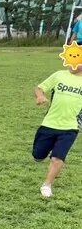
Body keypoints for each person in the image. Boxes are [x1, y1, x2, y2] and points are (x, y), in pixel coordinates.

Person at [33, 65, 82, 197]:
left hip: (70, 127)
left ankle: (47, 185)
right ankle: (44, 157)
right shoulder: (59, 75)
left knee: (57, 158)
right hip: (49, 124)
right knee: (37, 156)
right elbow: (39, 88)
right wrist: (39, 96)